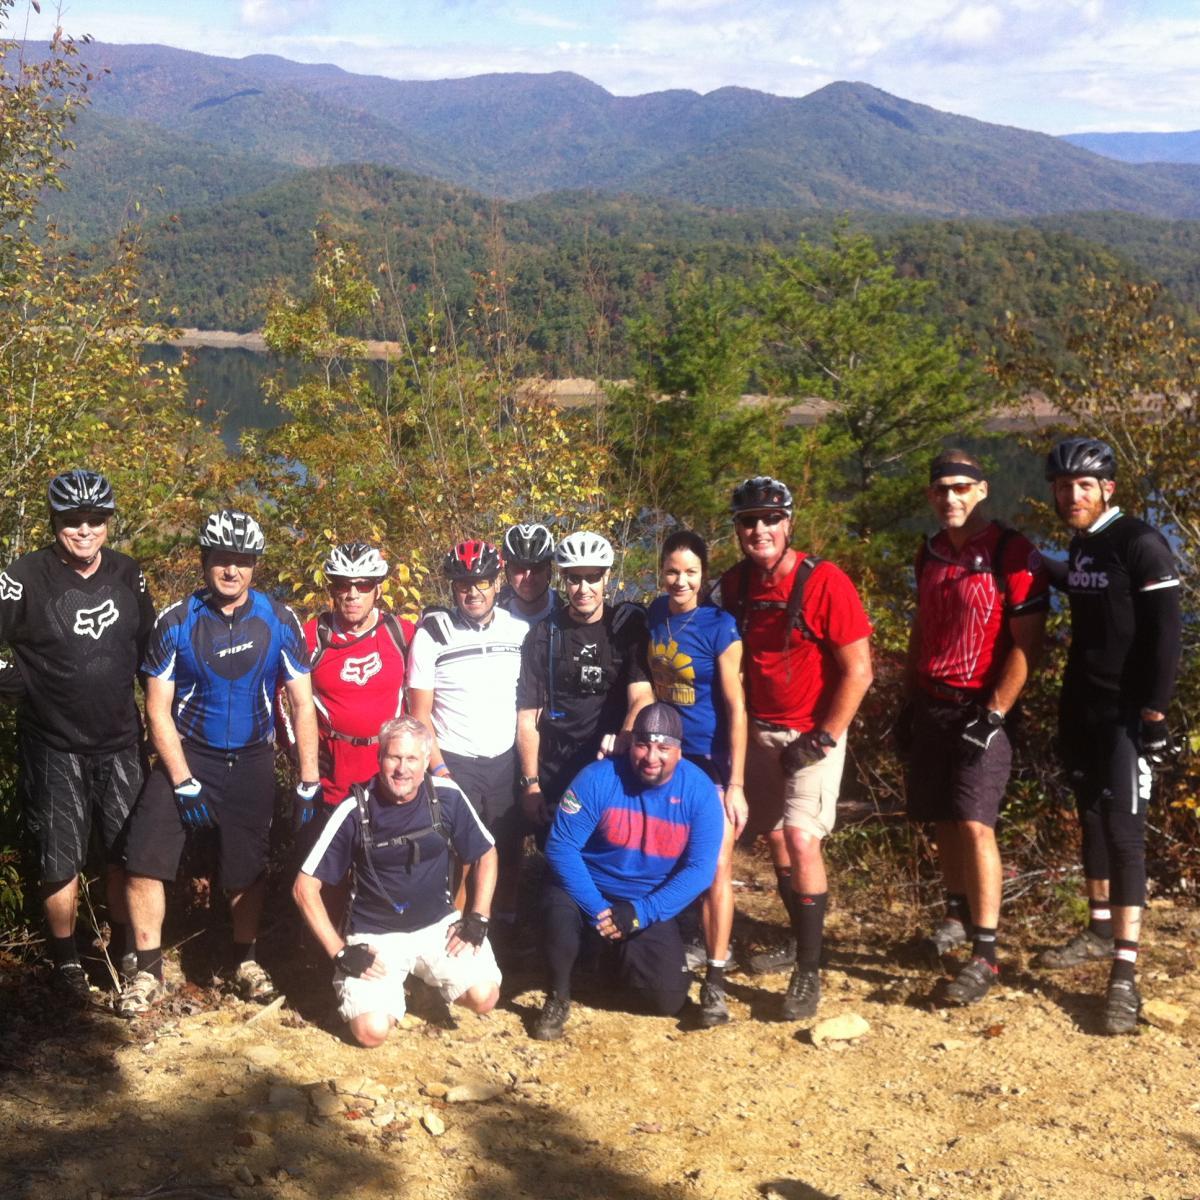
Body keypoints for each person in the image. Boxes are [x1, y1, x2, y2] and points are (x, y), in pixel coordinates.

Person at [117, 510, 320, 1017]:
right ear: (204, 561)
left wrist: (309, 780)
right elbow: (156, 709)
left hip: (252, 758)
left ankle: (244, 961)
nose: (232, 571)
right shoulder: (176, 620)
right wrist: (182, 780)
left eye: (243, 561)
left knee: (246, 870)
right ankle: (146, 971)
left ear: (255, 565)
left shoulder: (279, 618)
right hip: (188, 756)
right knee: (144, 857)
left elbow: (302, 703)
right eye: (221, 560)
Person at [1039, 437, 1182, 1035]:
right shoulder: (1085, 544)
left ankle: (1124, 975)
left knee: (1125, 834)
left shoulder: (1141, 543)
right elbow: (1079, 586)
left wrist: (1153, 713)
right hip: (1083, 707)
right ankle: (1099, 929)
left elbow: (1166, 636)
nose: (1071, 495)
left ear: (1108, 490)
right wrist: (1022, 556)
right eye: (1063, 486)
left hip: (1128, 713)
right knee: (1091, 818)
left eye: (1083, 485)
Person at [718, 476, 873, 1020]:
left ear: (789, 523)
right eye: (747, 520)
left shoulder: (825, 582)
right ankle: (796, 939)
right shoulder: (734, 585)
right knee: (775, 838)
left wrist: (824, 738)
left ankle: (809, 969)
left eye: (770, 518)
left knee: (803, 839)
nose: (759, 529)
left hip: (814, 731)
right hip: (759, 730)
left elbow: (859, 669)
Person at [0, 470, 155, 1002]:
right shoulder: (23, 577)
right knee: (59, 857)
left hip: (120, 742)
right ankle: (66, 962)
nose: (84, 530)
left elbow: (151, 650)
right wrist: (16, 683)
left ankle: (125, 948)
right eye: (72, 521)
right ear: (55, 522)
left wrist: (160, 721)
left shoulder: (128, 574)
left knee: (124, 854)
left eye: (95, 520)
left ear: (108, 523)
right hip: (54, 743)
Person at [899, 451, 1048, 1004]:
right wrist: (909, 698)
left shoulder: (1012, 553)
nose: (950, 498)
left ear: (982, 490)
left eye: (961, 488)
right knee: (942, 815)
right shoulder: (931, 551)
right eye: (940, 489)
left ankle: (986, 954)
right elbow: (923, 627)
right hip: (933, 701)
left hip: (980, 707)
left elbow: (1029, 645)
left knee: (976, 821)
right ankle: (955, 915)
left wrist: (995, 714)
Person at [293, 716, 500, 1047]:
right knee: (371, 1032)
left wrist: (478, 917)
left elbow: (486, 854)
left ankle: (422, 981)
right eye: (393, 757)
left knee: (484, 996)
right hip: (377, 937)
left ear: (424, 762)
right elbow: (304, 887)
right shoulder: (355, 810)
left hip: (439, 929)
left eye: (412, 759)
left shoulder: (446, 796)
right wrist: (339, 952)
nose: (402, 769)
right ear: (379, 759)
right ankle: (392, 992)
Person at [532, 703, 724, 1040]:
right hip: (585, 886)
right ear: (629, 743)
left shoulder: (700, 790)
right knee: (558, 911)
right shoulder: (597, 778)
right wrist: (598, 909)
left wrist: (640, 913)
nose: (651, 757)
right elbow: (561, 847)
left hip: (643, 899)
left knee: (667, 1000)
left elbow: (700, 870)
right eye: (643, 745)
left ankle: (603, 960)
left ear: (679, 751)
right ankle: (558, 995)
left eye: (663, 748)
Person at [633, 530, 746, 1028]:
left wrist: (737, 782)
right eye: (673, 571)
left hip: (707, 760)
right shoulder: (653, 614)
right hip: (662, 753)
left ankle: (716, 982)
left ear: (705, 575)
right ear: (662, 572)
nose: (681, 580)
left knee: (715, 867)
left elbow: (737, 707)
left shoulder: (721, 626)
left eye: (691, 572)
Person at [407, 540, 526, 927]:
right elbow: (419, 714)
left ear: (497, 583)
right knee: (459, 854)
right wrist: (440, 770)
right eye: (463, 584)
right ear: (452, 587)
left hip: (504, 760)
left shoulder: (518, 630)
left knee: (507, 847)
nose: (472, 592)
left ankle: (503, 926)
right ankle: (452, 930)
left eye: (482, 582)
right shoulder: (433, 634)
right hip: (455, 759)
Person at [516, 531, 653, 839]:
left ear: (607, 577)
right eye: (574, 579)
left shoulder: (625, 628)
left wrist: (624, 737)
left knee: (608, 854)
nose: (583, 588)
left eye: (592, 577)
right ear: (563, 580)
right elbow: (528, 716)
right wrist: (530, 784)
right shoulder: (543, 635)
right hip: (556, 769)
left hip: (609, 764)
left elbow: (642, 695)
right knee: (557, 861)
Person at [295, 541, 413, 813]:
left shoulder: (401, 633)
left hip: (392, 776)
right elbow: (279, 696)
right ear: (331, 590)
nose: (352, 594)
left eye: (362, 585)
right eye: (342, 584)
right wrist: (295, 750)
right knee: (323, 855)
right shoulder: (312, 636)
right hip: (332, 780)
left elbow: (431, 694)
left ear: (377, 589)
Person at [498, 523, 559, 629]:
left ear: (549, 572)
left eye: (537, 568)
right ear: (508, 573)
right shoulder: (495, 608)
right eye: (518, 568)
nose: (528, 577)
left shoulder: (565, 607)